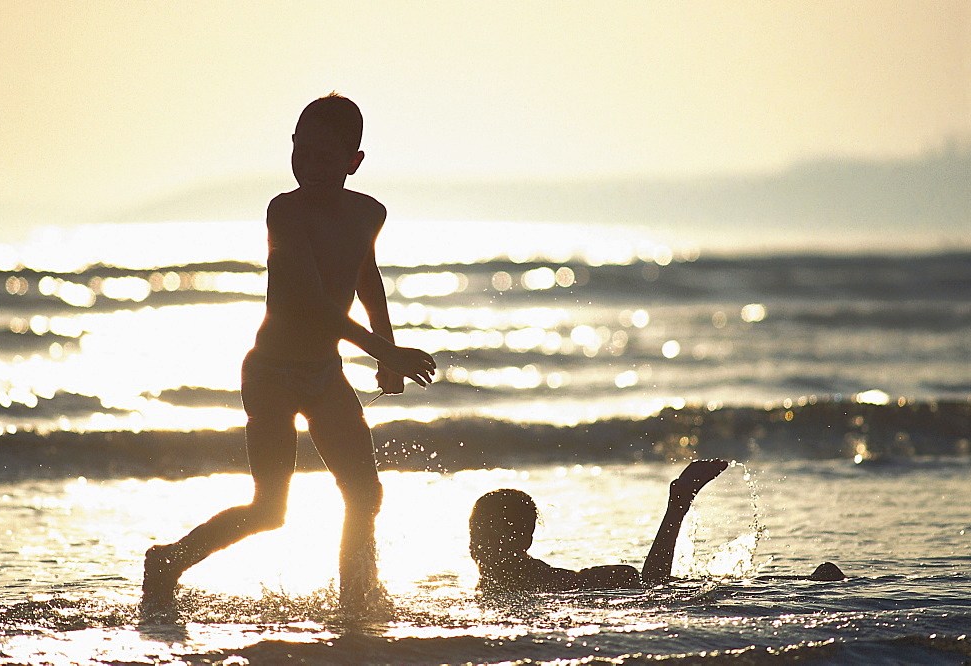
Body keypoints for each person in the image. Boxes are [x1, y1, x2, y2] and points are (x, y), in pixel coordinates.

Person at [142, 93, 436, 611]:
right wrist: (386, 353)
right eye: (302, 150)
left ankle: (354, 602)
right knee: (271, 508)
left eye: (326, 156)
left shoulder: (370, 212)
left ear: (354, 162)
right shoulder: (285, 212)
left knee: (365, 495)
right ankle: (169, 561)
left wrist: (385, 348)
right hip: (272, 376)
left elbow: (365, 274)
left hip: (325, 374)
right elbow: (312, 303)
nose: (310, 165)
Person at [470, 460, 844, 593]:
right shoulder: (508, 571)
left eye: (481, 533)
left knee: (664, 585)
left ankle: (678, 505)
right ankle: (678, 504)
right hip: (616, 585)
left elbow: (565, 586)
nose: (476, 543)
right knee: (670, 585)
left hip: (616, 586)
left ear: (523, 538)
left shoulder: (506, 571)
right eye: (476, 534)